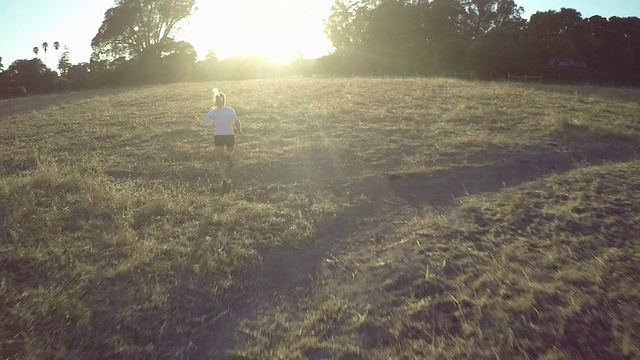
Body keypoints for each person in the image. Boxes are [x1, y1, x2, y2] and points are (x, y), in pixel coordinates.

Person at [200, 89, 242, 188]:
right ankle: (229, 155)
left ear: (215, 100)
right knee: (230, 151)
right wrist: (239, 130)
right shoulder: (230, 110)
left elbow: (203, 124)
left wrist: (201, 125)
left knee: (220, 159)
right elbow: (237, 121)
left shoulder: (212, 112)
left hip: (218, 136)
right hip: (229, 135)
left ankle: (224, 180)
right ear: (224, 100)